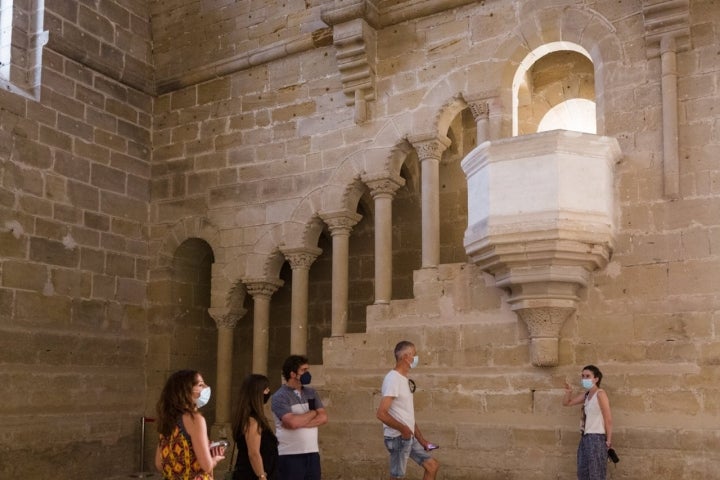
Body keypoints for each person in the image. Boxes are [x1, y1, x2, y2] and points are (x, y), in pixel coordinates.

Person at [376, 340, 439, 480]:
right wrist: (404, 430)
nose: (416, 358)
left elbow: (406, 414)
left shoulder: (404, 380)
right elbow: (381, 413)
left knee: (432, 466)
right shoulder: (393, 379)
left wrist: (421, 440)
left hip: (407, 436)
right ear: (405, 357)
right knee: (397, 477)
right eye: (414, 355)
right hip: (398, 438)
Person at [154, 369, 225, 480]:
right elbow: (206, 466)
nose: (206, 387)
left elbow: (159, 464)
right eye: (201, 385)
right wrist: (215, 458)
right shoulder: (195, 419)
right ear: (186, 391)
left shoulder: (167, 420)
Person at [270, 355, 328, 480]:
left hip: (312, 453)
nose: (307, 373)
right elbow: (291, 422)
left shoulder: (311, 393)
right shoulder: (280, 396)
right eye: (303, 370)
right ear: (292, 374)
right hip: (290, 455)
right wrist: (313, 413)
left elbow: (323, 418)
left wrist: (300, 422)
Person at [563, 364, 614, 480]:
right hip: (585, 438)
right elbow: (567, 403)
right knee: (583, 473)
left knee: (596, 474)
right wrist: (568, 392)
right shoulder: (586, 395)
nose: (584, 379)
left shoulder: (600, 394)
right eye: (583, 376)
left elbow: (608, 419)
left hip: (597, 438)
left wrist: (609, 440)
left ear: (596, 379)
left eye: (588, 376)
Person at [232, 373, 279, 480]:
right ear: (256, 393)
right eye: (266, 389)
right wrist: (262, 476)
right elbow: (254, 453)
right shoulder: (252, 420)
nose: (268, 392)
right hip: (253, 475)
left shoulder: (254, 418)